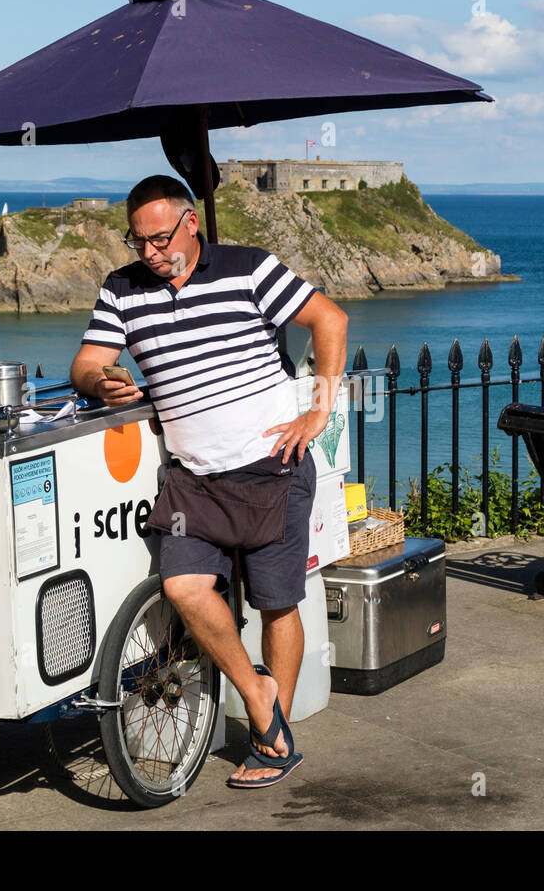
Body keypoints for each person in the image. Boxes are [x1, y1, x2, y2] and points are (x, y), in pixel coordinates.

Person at [70, 174, 348, 787]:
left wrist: (319, 409)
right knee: (184, 586)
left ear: (191, 223)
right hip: (193, 479)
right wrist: (102, 383)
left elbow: (329, 320)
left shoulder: (249, 269)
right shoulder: (122, 289)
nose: (149, 252)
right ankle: (256, 694)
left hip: (273, 465)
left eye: (160, 238)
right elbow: (86, 364)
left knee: (277, 605)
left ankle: (270, 744)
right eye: (137, 240)